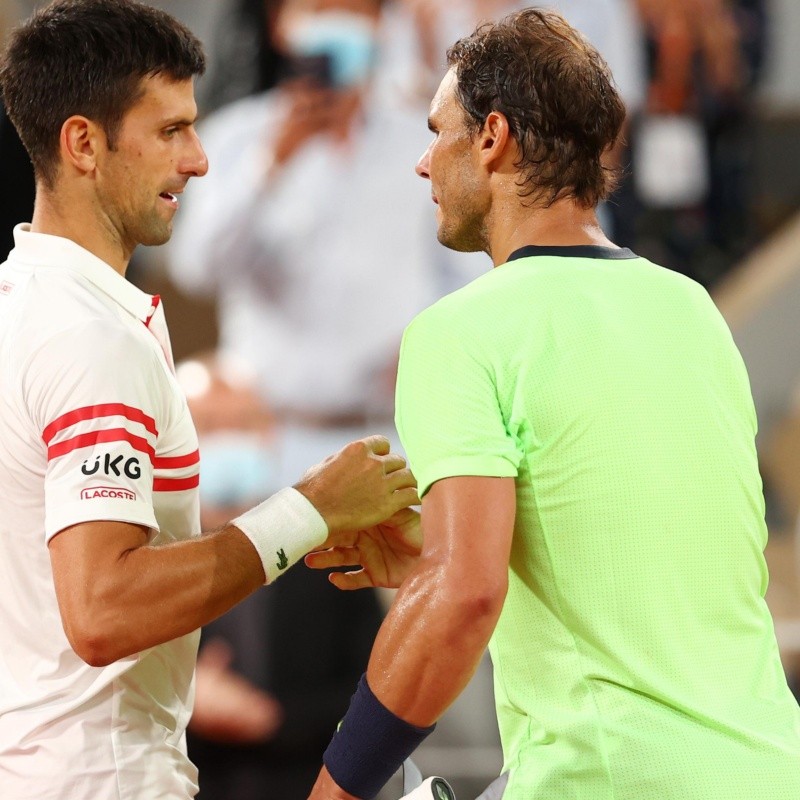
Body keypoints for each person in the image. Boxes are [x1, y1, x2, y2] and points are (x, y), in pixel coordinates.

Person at [305, 9, 800, 800]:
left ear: (492, 137)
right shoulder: (692, 309)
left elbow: (464, 597)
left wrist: (337, 787)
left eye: (438, 133)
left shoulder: (458, 333)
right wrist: (451, 540)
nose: (424, 164)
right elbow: (640, 530)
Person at [0, 2, 416, 798]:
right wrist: (309, 508)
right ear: (83, 143)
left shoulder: (24, 306)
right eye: (170, 131)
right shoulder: (91, 341)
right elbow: (103, 610)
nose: (198, 158)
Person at [167, 0, 486, 487]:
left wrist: (434, 341)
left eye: (355, 11)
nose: (337, 21)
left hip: (393, 436)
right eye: (318, 7)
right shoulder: (234, 137)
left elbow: (473, 272)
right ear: (280, 25)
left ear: (380, 26)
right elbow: (196, 269)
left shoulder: (421, 143)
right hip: (270, 441)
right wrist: (272, 161)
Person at [178, 355, 384, 800]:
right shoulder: (148, 554)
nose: (229, 439)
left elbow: (376, 682)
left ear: (270, 432)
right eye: (210, 425)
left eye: (244, 423)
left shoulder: (330, 547)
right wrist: (186, 698)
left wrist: (272, 718)